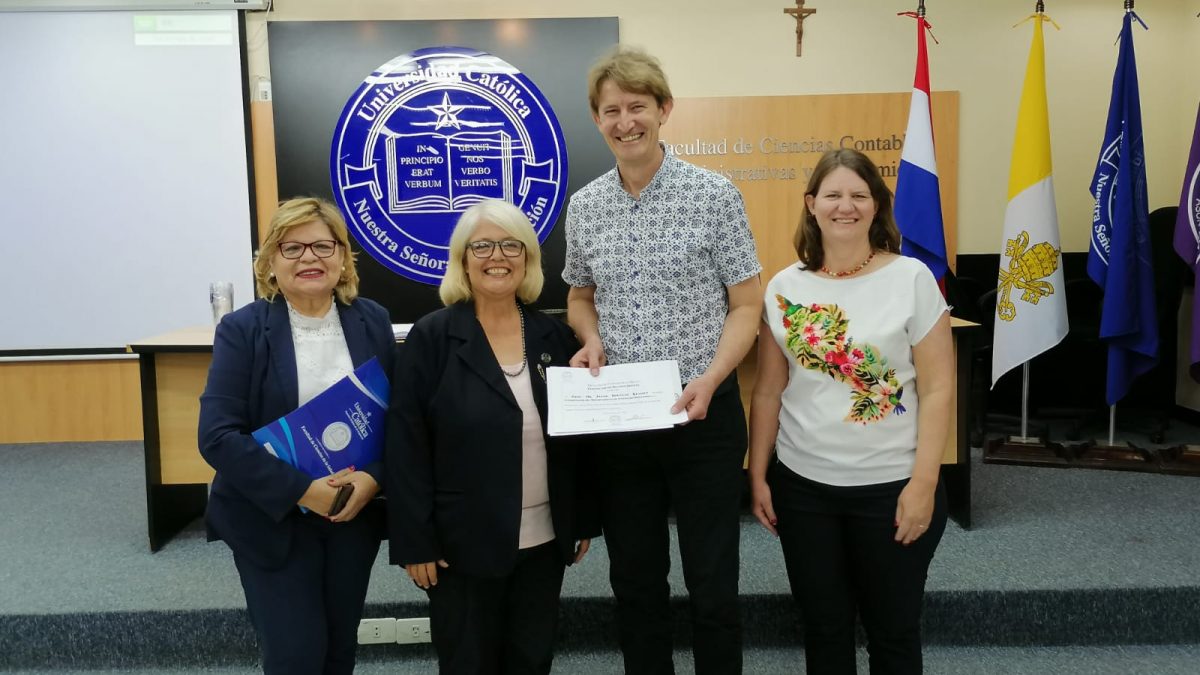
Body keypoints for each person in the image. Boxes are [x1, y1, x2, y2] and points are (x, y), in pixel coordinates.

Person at [562, 46, 763, 674]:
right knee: (637, 581)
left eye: (638, 107)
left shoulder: (714, 194)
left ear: (664, 110)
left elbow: (747, 306)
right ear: (598, 120)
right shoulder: (585, 205)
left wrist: (711, 378)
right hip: (621, 421)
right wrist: (589, 335)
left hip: (703, 415)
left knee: (712, 584)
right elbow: (578, 294)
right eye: (612, 110)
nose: (626, 121)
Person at [748, 148, 953, 674]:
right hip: (805, 490)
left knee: (894, 634)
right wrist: (757, 476)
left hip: (892, 488)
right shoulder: (784, 288)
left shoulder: (912, 279)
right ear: (811, 204)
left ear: (877, 205)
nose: (846, 206)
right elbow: (769, 392)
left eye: (859, 195)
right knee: (823, 632)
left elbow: (937, 389)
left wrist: (924, 485)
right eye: (833, 195)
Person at [385, 199, 599, 675]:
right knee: (469, 663)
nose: (496, 256)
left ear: (527, 259)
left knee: (531, 659)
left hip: (544, 542)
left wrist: (581, 516)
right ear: (463, 259)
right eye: (481, 246)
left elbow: (574, 442)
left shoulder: (554, 337)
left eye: (510, 245)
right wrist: (415, 541)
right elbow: (406, 446)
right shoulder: (432, 337)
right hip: (461, 546)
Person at [198, 197, 396, 675]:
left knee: (337, 652)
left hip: (352, 515)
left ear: (344, 257)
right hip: (271, 517)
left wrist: (373, 480)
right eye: (292, 248)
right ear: (269, 263)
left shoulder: (372, 320)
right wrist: (304, 491)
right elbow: (218, 436)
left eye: (324, 246)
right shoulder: (242, 330)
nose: (310, 258)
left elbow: (399, 422)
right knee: (294, 658)